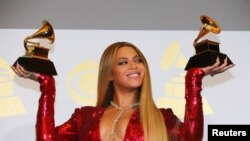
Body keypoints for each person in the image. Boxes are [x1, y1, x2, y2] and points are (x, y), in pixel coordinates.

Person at [11, 41, 232, 141]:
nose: (134, 66)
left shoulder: (162, 118)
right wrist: (46, 87)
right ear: (109, 74)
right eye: (123, 62)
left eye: (138, 61)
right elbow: (47, 138)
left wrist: (193, 80)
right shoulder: (84, 117)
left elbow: (192, 138)